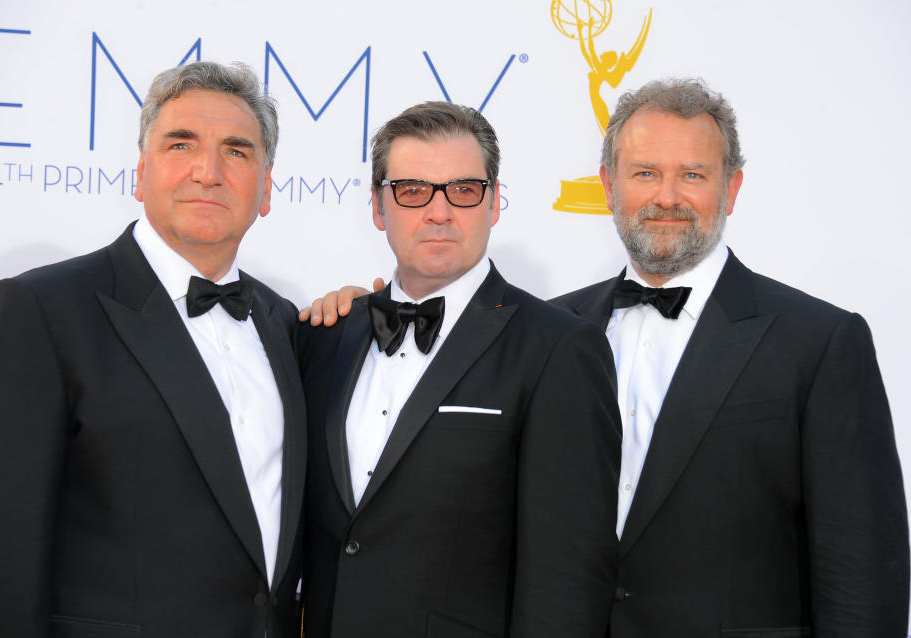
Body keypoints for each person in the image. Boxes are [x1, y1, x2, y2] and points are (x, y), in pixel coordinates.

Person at [305, 79, 910, 636]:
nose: (666, 197)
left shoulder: (821, 341)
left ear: (731, 187)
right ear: (609, 186)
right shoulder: (552, 327)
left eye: (693, 175)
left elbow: (862, 572)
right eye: (644, 172)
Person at [0, 61, 305, 638]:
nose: (208, 171)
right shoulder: (38, 312)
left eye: (238, 151)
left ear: (266, 189)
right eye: (180, 144)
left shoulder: (286, 323)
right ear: (140, 174)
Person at [296, 101, 621, 638]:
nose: (439, 212)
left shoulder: (559, 349)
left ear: (493, 204)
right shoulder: (322, 336)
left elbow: (569, 576)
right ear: (379, 208)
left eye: (464, 190)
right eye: (413, 190)